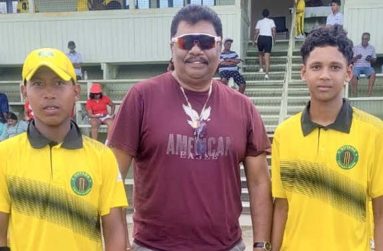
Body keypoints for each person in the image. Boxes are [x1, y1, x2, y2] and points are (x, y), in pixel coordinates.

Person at [108, 4, 272, 251]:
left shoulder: (243, 107)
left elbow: (259, 181)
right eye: (186, 42)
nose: (196, 49)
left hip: (226, 246)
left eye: (205, 42)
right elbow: (112, 177)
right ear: (172, 47)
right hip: (153, 247)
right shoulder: (141, 97)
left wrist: (262, 245)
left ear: (218, 47)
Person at [0, 47, 128, 251]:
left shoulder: (102, 157)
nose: (49, 94)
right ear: (25, 91)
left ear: (76, 90)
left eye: (59, 83)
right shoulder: (4, 155)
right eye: (38, 84)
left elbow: (114, 231)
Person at [271, 25, 383, 251]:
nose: (324, 75)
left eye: (334, 67)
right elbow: (281, 206)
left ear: (348, 73)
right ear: (303, 72)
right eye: (316, 67)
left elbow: (380, 211)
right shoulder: (284, 134)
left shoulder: (374, 132)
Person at [351, 32, 377, 96]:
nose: (364, 40)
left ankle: (369, 93)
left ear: (369, 39)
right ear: (361, 38)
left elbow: (374, 60)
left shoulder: (372, 48)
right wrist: (357, 57)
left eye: (366, 39)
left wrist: (370, 59)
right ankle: (355, 94)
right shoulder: (356, 48)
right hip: (357, 66)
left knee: (373, 74)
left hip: (367, 66)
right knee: (353, 75)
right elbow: (351, 60)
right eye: (363, 38)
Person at [253, 9, 276, 80]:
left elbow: (256, 32)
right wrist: (274, 39)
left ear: (262, 14)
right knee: (267, 57)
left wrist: (254, 40)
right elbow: (274, 30)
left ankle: (261, 68)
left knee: (260, 54)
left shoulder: (259, 21)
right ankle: (266, 74)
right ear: (268, 14)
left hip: (261, 38)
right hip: (268, 38)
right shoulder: (271, 21)